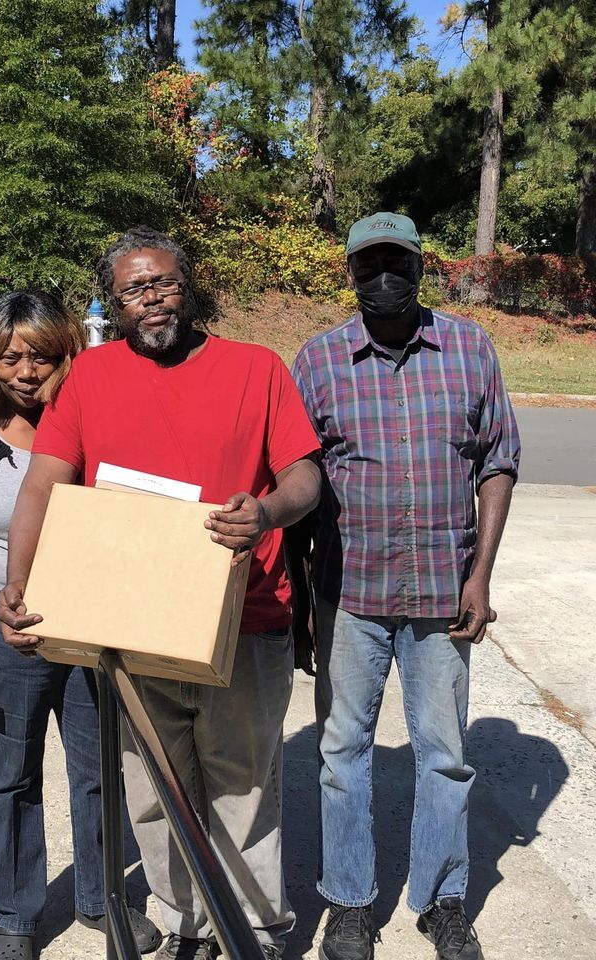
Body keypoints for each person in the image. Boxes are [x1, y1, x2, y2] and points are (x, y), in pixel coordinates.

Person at [0, 226, 322, 960]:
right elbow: (45, 482)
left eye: (164, 283)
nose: (152, 301)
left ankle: (257, 932)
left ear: (190, 285)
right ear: (113, 303)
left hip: (247, 619)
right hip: (134, 626)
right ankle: (186, 927)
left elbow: (305, 474)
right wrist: (20, 582)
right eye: (134, 290)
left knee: (243, 787)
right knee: (154, 790)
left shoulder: (257, 368)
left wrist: (265, 511)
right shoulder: (92, 376)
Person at [288, 213, 521, 960]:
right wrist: (299, 607)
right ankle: (350, 902)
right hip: (349, 592)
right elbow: (297, 480)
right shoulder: (319, 361)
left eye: (399, 263)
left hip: (443, 595)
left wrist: (479, 576)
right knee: (342, 751)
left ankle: (443, 898)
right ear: (349, 272)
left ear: (423, 267)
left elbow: (497, 461)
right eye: (370, 265)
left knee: (445, 752)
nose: (385, 278)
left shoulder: (469, 348)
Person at [0, 290, 160, 960]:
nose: (25, 371)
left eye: (42, 356)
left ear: (68, 356)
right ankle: (15, 919)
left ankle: (101, 896)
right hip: (6, 635)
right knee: (12, 773)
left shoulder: (94, 425)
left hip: (89, 631)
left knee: (101, 768)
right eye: (9, 356)